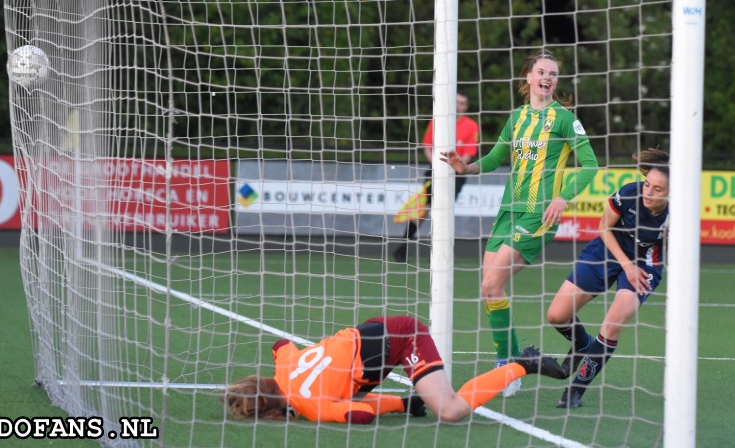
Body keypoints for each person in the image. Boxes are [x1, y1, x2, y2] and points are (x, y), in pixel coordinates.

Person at [440, 50, 598, 397]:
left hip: (538, 215)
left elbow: (589, 165)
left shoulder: (564, 119)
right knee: (487, 288)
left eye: (553, 74)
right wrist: (466, 167)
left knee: (492, 285)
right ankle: (511, 362)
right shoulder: (517, 117)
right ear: (528, 78)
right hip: (508, 213)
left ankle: (508, 368)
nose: (548, 77)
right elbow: (497, 157)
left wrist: (562, 197)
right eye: (541, 71)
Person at [221, 315, 567, 424]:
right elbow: (280, 344)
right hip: (371, 331)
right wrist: (404, 404)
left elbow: (359, 415)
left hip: (401, 339)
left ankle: (524, 363)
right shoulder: (285, 365)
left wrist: (307, 411)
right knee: (347, 391)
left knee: (448, 410)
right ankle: (410, 403)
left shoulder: (310, 406)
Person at [546, 148, 669, 409]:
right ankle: (583, 343)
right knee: (556, 316)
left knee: (612, 324)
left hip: (645, 264)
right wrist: (626, 265)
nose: (649, 192)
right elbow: (603, 227)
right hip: (607, 250)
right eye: (648, 185)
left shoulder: (678, 215)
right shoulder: (629, 193)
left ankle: (575, 391)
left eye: (658, 189)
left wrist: (636, 268)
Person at [393, 91, 479, 263]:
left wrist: (457, 167)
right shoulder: (438, 121)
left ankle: (441, 252)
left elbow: (470, 153)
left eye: (462, 103)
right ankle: (403, 246)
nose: (458, 105)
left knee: (445, 210)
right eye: (456, 101)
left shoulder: (471, 126)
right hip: (435, 171)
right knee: (424, 209)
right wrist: (437, 165)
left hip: (457, 174)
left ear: (466, 107)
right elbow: (427, 146)